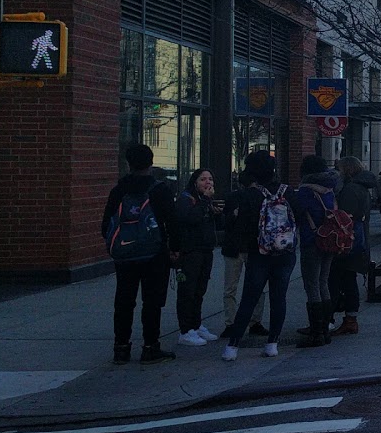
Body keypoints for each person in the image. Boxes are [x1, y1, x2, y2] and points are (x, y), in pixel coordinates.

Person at [102, 144, 182, 364]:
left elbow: (105, 225)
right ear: (151, 162)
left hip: (125, 254)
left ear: (128, 163)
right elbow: (172, 222)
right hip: (154, 254)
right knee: (152, 301)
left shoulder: (118, 190)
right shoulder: (160, 189)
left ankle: (121, 347)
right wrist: (175, 249)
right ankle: (150, 346)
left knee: (124, 300)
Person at [223, 151, 296, 360]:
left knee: (249, 298)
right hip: (284, 252)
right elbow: (297, 216)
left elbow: (241, 226)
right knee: (278, 297)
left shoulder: (250, 195)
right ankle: (272, 343)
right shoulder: (287, 192)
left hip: (259, 253)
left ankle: (233, 346)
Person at [292, 155, 340, 348]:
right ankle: (325, 328)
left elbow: (296, 212)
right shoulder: (330, 190)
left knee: (311, 285)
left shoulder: (305, 192)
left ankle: (316, 332)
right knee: (323, 282)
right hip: (330, 240)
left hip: (312, 240)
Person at [331, 155, 380, 335]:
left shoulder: (351, 189)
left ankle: (347, 319)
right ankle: (349, 318)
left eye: (340, 168)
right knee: (347, 279)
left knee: (342, 279)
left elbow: (343, 216)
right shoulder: (362, 188)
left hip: (348, 242)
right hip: (358, 241)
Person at [173, 169, 222, 346]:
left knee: (200, 290)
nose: (207, 183)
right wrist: (207, 202)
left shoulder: (204, 201)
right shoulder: (186, 199)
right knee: (188, 291)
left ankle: (196, 324)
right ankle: (186, 330)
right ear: (195, 182)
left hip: (206, 250)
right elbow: (190, 218)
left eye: (210, 179)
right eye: (203, 179)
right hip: (190, 251)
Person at [219, 168, 266, 338]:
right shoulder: (262, 197)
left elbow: (225, 223)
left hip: (234, 247)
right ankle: (255, 321)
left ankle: (231, 323)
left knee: (230, 288)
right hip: (254, 247)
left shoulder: (233, 197)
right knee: (257, 287)